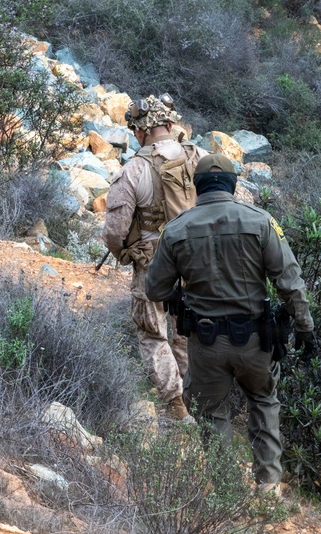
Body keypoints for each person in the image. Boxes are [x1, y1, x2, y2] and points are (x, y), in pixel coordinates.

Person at [144, 152, 315, 493]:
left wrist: (181, 296)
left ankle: (225, 491)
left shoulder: (176, 229)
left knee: (212, 413)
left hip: (206, 344)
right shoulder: (261, 221)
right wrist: (304, 326)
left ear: (197, 187)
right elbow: (289, 280)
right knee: (264, 402)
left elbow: (155, 287)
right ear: (234, 185)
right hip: (256, 340)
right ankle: (267, 485)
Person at [103, 94, 207, 423]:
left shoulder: (134, 169)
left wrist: (124, 253)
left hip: (153, 263)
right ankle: (193, 397)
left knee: (151, 332)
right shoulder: (200, 157)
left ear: (142, 131)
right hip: (197, 261)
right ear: (171, 124)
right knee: (185, 330)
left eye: (135, 130)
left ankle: (175, 405)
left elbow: (114, 229)